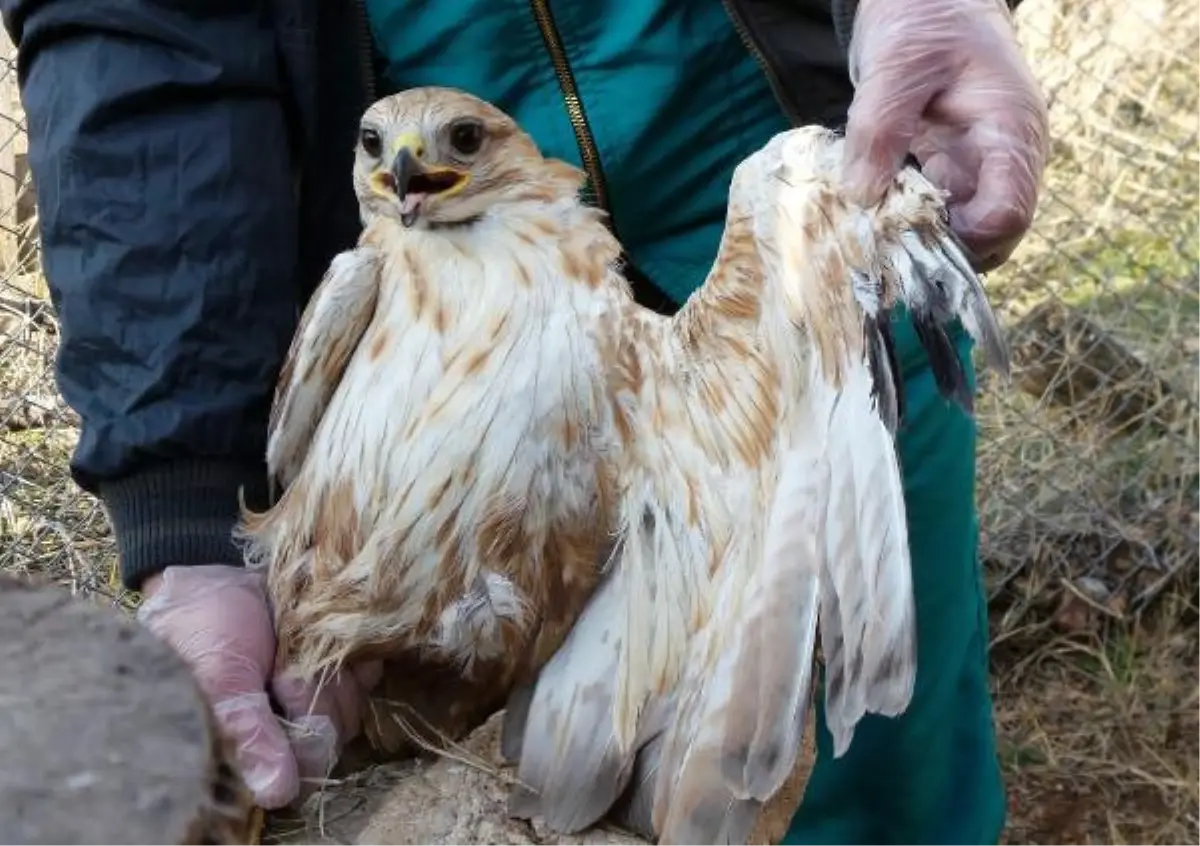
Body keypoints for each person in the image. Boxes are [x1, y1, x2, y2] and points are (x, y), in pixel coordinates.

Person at [1, 0, 1047, 842]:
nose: (411, 163)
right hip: (418, 334)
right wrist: (191, 519)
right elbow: (137, 33)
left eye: (448, 145)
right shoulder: (363, 288)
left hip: (781, 219)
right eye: (390, 152)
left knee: (874, 747)